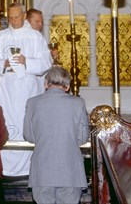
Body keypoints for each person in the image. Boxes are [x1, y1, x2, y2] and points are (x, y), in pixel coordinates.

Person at [0, 2, 52, 177]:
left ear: (23, 16)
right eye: (10, 18)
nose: (13, 21)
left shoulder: (35, 37)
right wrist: (3, 64)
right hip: (6, 89)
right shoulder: (1, 36)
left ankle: (29, 166)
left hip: (28, 90)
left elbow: (46, 63)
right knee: (7, 121)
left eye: (16, 17)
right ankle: (5, 165)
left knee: (26, 124)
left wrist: (26, 61)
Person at [23, 66, 90, 204]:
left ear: (46, 83)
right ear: (67, 86)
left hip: (42, 169)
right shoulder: (78, 103)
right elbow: (83, 137)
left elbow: (29, 135)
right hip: (70, 168)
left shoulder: (32, 103)